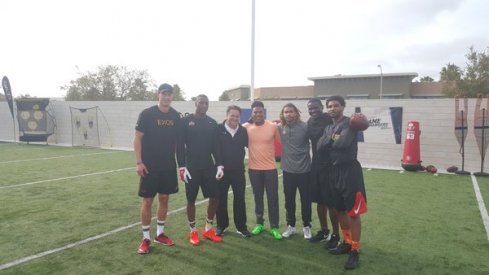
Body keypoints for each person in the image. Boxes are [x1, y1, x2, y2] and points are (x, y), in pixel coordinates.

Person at [317, 96, 368, 270]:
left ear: (343, 107)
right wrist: (332, 138)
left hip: (349, 171)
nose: (332, 108)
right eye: (329, 106)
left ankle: (355, 250)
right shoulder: (328, 127)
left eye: (336, 106)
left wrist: (330, 141)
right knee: (338, 209)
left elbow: (344, 143)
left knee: (353, 212)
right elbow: (319, 146)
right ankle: (346, 242)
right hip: (333, 171)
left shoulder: (351, 124)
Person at [134, 83, 180, 254]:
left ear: (172, 97)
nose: (167, 97)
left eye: (169, 94)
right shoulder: (147, 114)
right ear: (158, 95)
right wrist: (139, 162)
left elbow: (178, 142)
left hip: (168, 165)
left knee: (165, 198)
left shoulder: (176, 116)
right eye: (164, 94)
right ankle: (145, 237)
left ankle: (160, 234)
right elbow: (137, 138)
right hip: (149, 166)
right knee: (147, 201)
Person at [177, 94, 224, 246]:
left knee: (215, 197)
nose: (204, 105)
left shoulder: (212, 123)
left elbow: (216, 146)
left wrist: (219, 164)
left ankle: (208, 228)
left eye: (206, 103)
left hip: (208, 167)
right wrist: (182, 166)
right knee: (191, 200)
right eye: (201, 103)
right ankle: (193, 231)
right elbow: (179, 146)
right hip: (192, 168)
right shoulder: (185, 122)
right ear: (195, 103)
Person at [243, 101, 283, 240]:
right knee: (257, 198)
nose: (258, 114)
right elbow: (229, 126)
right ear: (251, 113)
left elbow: (283, 142)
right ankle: (259, 223)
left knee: (273, 199)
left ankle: (275, 227)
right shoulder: (246, 127)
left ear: (264, 112)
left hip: (270, 169)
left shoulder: (272, 126)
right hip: (253, 170)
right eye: (255, 112)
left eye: (260, 112)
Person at [306, 98, 340, 249]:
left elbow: (342, 130)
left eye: (316, 108)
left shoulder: (329, 119)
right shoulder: (309, 122)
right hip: (316, 166)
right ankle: (324, 231)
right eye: (310, 108)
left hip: (330, 165)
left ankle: (336, 235)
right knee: (320, 201)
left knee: (331, 202)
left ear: (322, 107)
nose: (313, 110)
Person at [215, 105, 251, 238]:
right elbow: (215, 149)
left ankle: (241, 227)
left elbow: (250, 145)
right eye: (232, 115)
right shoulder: (218, 129)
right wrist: (219, 165)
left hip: (238, 171)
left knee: (240, 199)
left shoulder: (243, 131)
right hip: (221, 171)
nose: (234, 118)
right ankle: (221, 225)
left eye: (237, 116)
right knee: (221, 199)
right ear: (227, 115)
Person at [278, 103, 312, 240]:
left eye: (291, 111)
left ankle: (306, 226)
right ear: (283, 114)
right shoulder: (280, 128)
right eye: (286, 112)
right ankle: (290, 226)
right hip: (288, 171)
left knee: (306, 201)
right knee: (289, 201)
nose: (289, 114)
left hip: (304, 171)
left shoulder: (305, 127)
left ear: (296, 113)